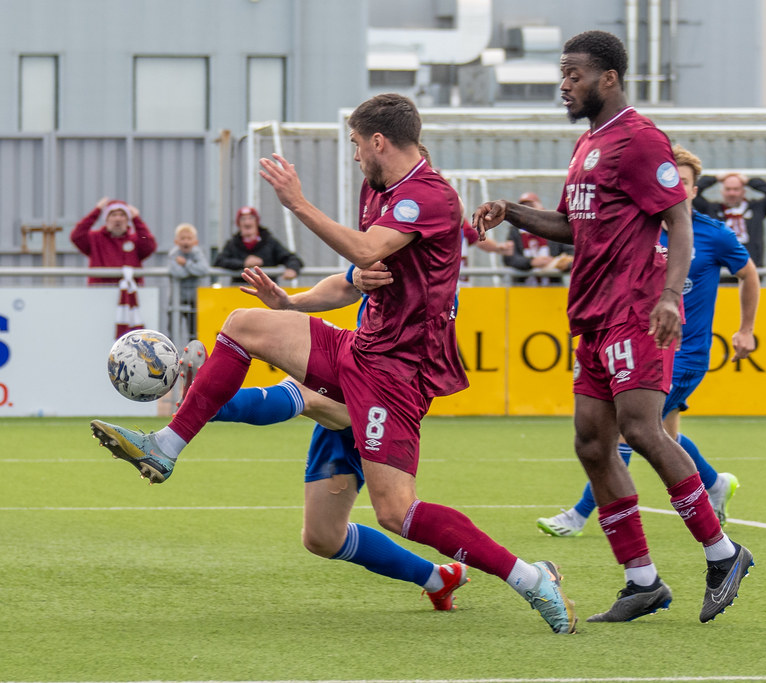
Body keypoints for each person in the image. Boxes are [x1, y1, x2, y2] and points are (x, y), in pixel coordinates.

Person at [89, 93, 577, 635]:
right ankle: (167, 445)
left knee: (396, 511)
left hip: (396, 375)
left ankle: (533, 579)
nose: (352, 157)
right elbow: (356, 273)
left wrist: (298, 204)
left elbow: (367, 251)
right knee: (245, 329)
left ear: (377, 141)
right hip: (360, 348)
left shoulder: (431, 196)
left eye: (353, 145)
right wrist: (292, 303)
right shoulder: (379, 191)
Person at [473, 30, 754, 625]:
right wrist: (511, 211)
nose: (563, 84)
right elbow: (572, 226)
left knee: (642, 429)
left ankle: (722, 553)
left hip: (634, 307)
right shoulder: (588, 145)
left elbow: (678, 219)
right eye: (561, 73)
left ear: (608, 78)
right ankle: (642, 581)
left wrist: (672, 296)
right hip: (594, 316)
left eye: (572, 73)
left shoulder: (641, 137)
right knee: (592, 444)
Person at [175, 262, 469, 612]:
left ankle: (204, 403)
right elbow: (345, 284)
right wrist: (289, 302)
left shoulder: (432, 270)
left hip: (384, 401)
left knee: (307, 393)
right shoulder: (388, 242)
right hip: (355, 381)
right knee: (322, 537)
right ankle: (438, 577)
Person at [537, 143, 760, 537]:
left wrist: (746, 328)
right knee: (666, 436)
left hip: (685, 355)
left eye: (685, 182)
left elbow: (749, 274)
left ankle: (579, 515)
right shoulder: (643, 228)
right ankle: (715, 484)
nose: (676, 187)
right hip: (645, 347)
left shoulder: (714, 235)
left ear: (692, 189)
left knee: (628, 430)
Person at [693, 172, 766, 269]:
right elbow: (693, 193)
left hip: (750, 266)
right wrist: (715, 179)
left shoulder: (757, 208)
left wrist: (749, 181)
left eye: (736, 189)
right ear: (722, 192)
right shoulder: (711, 210)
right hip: (721, 269)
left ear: (743, 191)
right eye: (728, 189)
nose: (732, 193)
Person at [71, 197, 157, 286]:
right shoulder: (95, 239)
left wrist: (137, 219)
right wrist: (96, 212)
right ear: (106, 219)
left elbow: (149, 245)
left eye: (122, 215)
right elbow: (76, 236)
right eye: (113, 215)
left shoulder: (135, 240)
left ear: (128, 220)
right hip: (99, 290)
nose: (118, 219)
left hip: (129, 293)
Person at [214, 206, 303, 284]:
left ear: (256, 222)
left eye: (251, 218)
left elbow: (291, 258)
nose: (247, 223)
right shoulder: (232, 244)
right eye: (243, 219)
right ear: (239, 224)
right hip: (240, 293)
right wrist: (243, 263)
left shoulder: (269, 242)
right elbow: (219, 261)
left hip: (268, 293)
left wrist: (292, 269)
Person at [503, 192, 574, 286]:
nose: (527, 210)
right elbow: (509, 258)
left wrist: (556, 262)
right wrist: (531, 262)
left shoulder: (554, 228)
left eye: (531, 206)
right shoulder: (515, 232)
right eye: (523, 207)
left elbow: (571, 253)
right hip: (522, 290)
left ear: (542, 210)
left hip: (553, 289)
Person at [167, 223, 210, 339]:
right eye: (182, 238)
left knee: (195, 332)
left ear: (195, 242)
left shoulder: (197, 253)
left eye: (189, 238)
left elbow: (204, 269)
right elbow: (177, 272)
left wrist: (185, 264)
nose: (186, 242)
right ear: (176, 241)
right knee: (173, 331)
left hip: (194, 299)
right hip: (177, 299)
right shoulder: (173, 254)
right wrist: (192, 270)